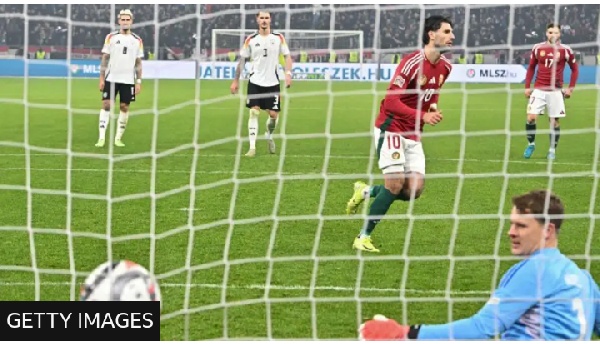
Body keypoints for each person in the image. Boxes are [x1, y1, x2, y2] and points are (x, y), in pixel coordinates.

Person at [359, 189, 600, 340]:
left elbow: (483, 327)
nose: (510, 232)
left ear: (547, 230)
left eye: (521, 226)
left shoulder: (538, 270)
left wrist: (406, 333)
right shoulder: (582, 278)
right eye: (511, 223)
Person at [345, 15, 454, 253]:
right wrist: (422, 116)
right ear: (431, 34)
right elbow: (392, 101)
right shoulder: (412, 62)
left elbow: (433, 94)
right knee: (394, 184)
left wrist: (432, 109)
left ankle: (365, 191)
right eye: (446, 31)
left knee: (413, 190)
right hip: (391, 126)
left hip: (413, 133)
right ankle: (363, 237)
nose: (451, 36)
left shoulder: (446, 67)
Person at [230, 10, 293, 157]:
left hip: (272, 83)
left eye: (267, 18)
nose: (264, 20)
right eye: (262, 18)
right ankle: (252, 147)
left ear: (270, 20)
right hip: (255, 81)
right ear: (257, 20)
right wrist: (235, 80)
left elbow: (287, 57)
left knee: (273, 116)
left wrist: (288, 74)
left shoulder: (278, 38)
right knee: (254, 111)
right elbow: (242, 61)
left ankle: (268, 136)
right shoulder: (250, 39)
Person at [523, 23, 579, 160]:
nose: (552, 35)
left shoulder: (566, 50)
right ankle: (531, 144)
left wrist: (570, 89)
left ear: (560, 34)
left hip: (556, 91)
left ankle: (552, 150)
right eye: (550, 32)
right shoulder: (538, 48)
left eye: (555, 32)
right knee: (530, 117)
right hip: (539, 89)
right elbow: (531, 68)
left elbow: (575, 69)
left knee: (554, 122)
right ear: (546, 33)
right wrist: (527, 86)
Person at [96, 9, 144, 148]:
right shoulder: (111, 37)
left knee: (124, 107)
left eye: (127, 20)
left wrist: (138, 82)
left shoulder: (137, 40)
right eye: (122, 20)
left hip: (128, 80)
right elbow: (105, 58)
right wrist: (101, 78)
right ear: (119, 21)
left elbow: (138, 63)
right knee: (106, 105)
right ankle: (101, 138)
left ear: (131, 21)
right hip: (111, 78)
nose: (125, 22)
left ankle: (118, 138)